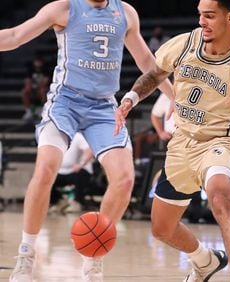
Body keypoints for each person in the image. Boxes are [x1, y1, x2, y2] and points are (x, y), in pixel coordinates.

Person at [114, 0, 230, 281]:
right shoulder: (185, 44)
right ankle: (205, 261)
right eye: (200, 15)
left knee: (220, 196)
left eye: (209, 16)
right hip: (181, 143)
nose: (202, 22)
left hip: (219, 143)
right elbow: (154, 75)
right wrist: (130, 99)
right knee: (161, 229)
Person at [0, 0, 173, 281]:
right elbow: (14, 36)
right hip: (65, 102)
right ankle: (26, 254)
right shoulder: (64, 8)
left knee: (125, 180)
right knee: (45, 169)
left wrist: (172, 94)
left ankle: (93, 258)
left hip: (103, 107)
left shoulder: (125, 12)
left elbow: (146, 63)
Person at [49, 131, 94, 213]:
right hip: (61, 170)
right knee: (46, 177)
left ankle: (76, 202)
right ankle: (58, 201)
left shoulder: (77, 136)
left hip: (77, 170)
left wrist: (81, 164)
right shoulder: (56, 137)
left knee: (81, 175)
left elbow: (89, 150)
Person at [21, 56, 49, 121]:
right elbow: (27, 81)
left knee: (42, 90)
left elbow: (45, 82)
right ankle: (28, 111)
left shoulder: (46, 70)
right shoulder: (30, 70)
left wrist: (38, 87)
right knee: (25, 91)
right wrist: (30, 87)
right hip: (33, 88)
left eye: (39, 62)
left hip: (43, 88)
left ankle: (43, 109)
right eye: (36, 61)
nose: (38, 63)